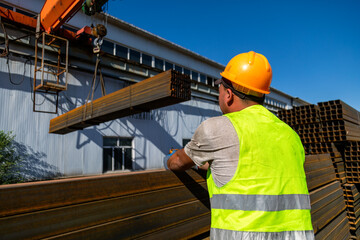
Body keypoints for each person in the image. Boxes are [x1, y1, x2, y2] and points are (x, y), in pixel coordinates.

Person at [167, 51, 314, 239]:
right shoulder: (290, 135)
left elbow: (178, 161)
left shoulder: (217, 128)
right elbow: (254, 171)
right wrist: (202, 163)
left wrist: (168, 159)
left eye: (219, 90)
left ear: (228, 94)